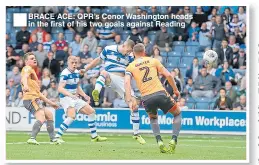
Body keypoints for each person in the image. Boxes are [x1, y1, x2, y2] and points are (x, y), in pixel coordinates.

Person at [80, 40, 146, 144]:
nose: (128, 53)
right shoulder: (109, 49)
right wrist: (86, 69)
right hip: (110, 77)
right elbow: (98, 60)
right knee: (104, 72)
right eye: (128, 50)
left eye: (130, 52)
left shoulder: (130, 57)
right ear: (124, 45)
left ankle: (136, 134)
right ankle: (96, 92)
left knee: (134, 106)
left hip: (123, 81)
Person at [125, 43, 181, 154]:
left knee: (153, 118)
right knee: (177, 113)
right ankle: (174, 139)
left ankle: (159, 141)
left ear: (134, 53)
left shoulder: (130, 66)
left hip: (146, 97)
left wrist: (129, 99)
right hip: (160, 93)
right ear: (144, 51)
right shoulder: (153, 60)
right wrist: (175, 90)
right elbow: (168, 75)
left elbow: (126, 82)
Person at [55, 56, 107, 142]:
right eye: (72, 63)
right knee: (71, 116)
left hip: (74, 97)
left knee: (91, 112)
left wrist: (84, 95)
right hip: (65, 98)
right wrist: (71, 95)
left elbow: (77, 86)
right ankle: (57, 137)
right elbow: (60, 88)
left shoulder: (76, 72)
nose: (74, 64)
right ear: (68, 63)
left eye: (76, 63)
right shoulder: (65, 73)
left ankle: (94, 136)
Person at [21, 52, 61, 145]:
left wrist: (52, 103)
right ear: (26, 61)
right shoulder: (27, 68)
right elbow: (24, 77)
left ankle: (53, 139)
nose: (34, 59)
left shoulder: (33, 74)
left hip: (35, 99)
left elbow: (40, 94)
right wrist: (25, 85)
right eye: (31, 58)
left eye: (34, 58)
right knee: (41, 117)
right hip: (30, 99)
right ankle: (32, 138)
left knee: (49, 115)